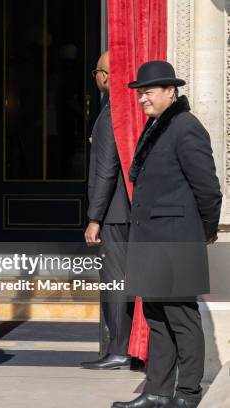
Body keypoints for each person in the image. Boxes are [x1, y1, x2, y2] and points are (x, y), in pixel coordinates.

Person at [112, 61, 222, 408]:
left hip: (177, 240)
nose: (142, 97)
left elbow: (208, 189)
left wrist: (200, 233)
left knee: (181, 318)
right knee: (157, 317)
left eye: (148, 91)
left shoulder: (185, 127)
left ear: (170, 92)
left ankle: (187, 394)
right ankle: (158, 391)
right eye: (140, 92)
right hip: (152, 240)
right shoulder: (157, 125)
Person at [81, 51, 135, 371]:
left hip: (114, 214)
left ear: (106, 76)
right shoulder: (124, 110)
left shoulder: (111, 113)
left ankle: (118, 349)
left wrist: (94, 218)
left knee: (114, 282)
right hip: (124, 211)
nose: (96, 77)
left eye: (97, 71)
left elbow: (106, 170)